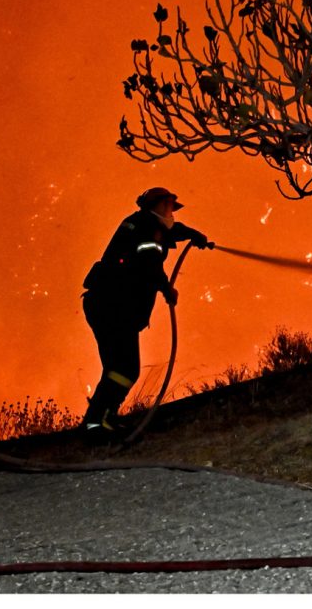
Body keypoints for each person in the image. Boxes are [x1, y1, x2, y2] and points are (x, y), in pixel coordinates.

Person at [81, 187, 213, 436]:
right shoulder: (145, 228)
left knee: (119, 368)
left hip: (110, 306)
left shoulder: (143, 223)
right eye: (170, 206)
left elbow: (172, 231)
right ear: (159, 205)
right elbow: (148, 264)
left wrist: (195, 236)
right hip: (112, 308)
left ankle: (104, 420)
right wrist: (167, 289)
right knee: (124, 369)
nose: (171, 212)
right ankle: (95, 424)